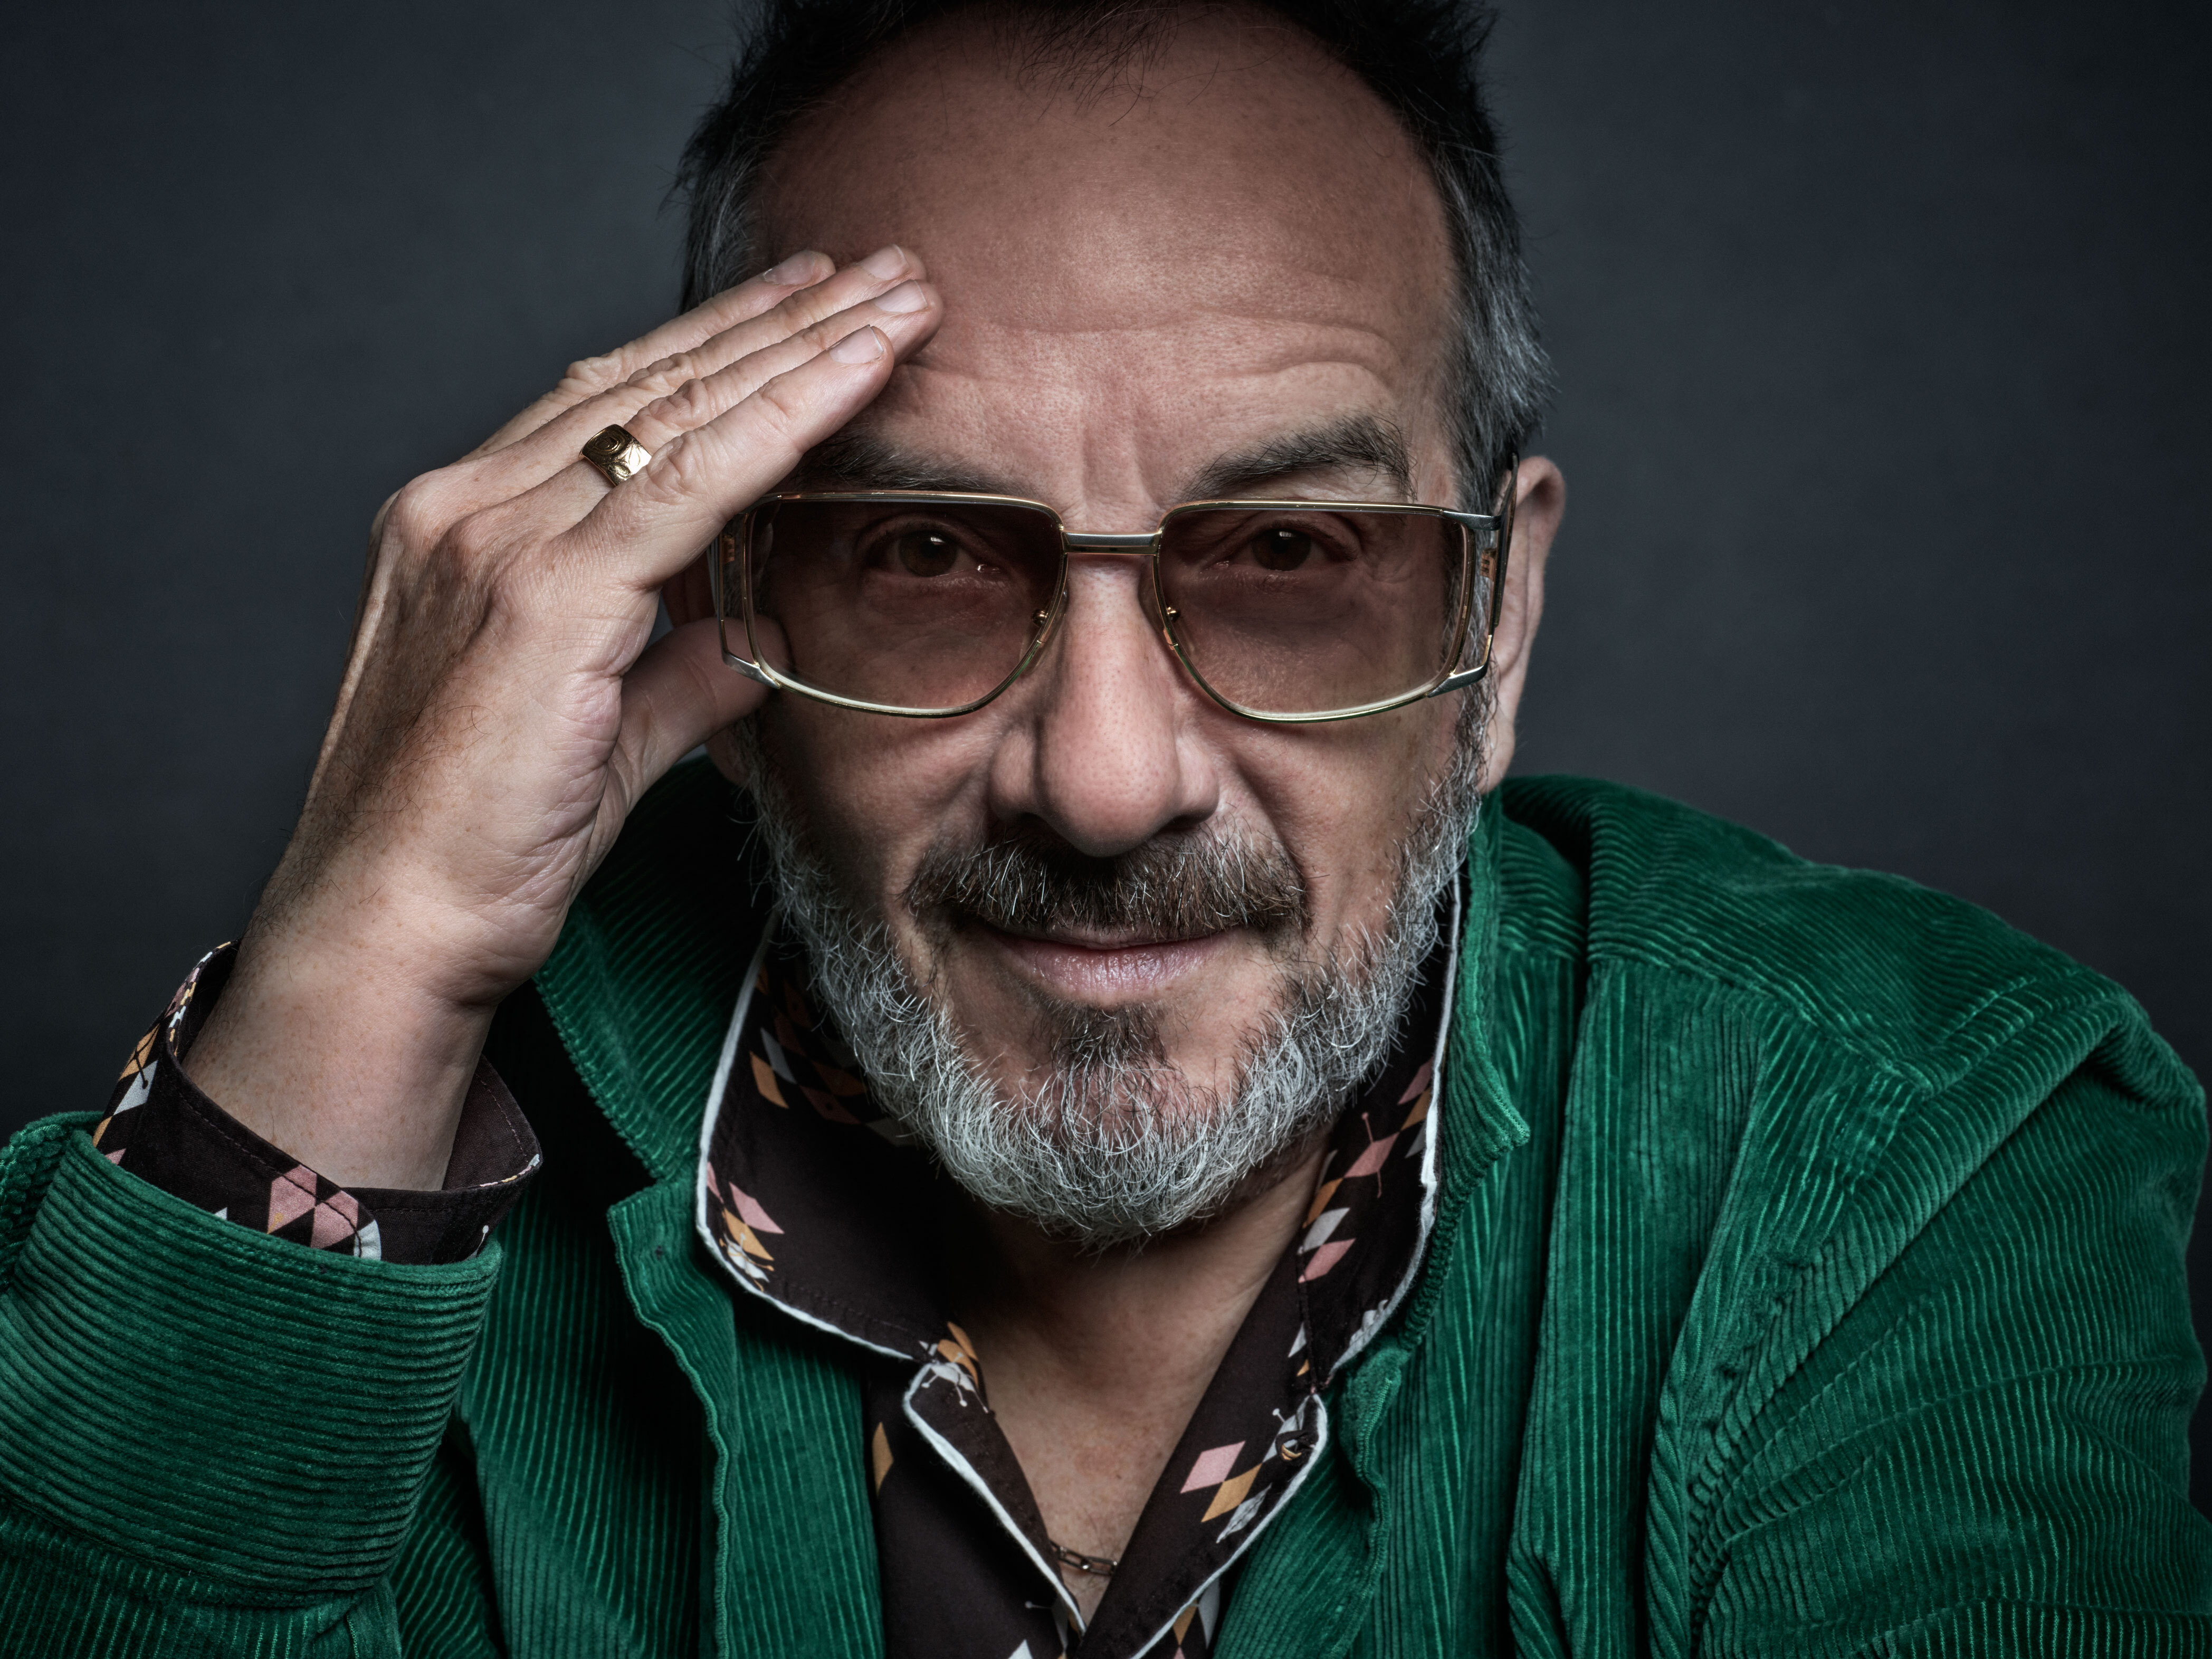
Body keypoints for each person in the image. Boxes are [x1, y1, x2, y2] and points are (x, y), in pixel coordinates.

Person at [3, 0, 2205, 1652]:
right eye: (930, 558)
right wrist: (362, 955)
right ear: (730, 602)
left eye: (1290, 561)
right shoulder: (357, 1141)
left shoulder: (1920, 1160)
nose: (1105, 779)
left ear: (1501, 613)